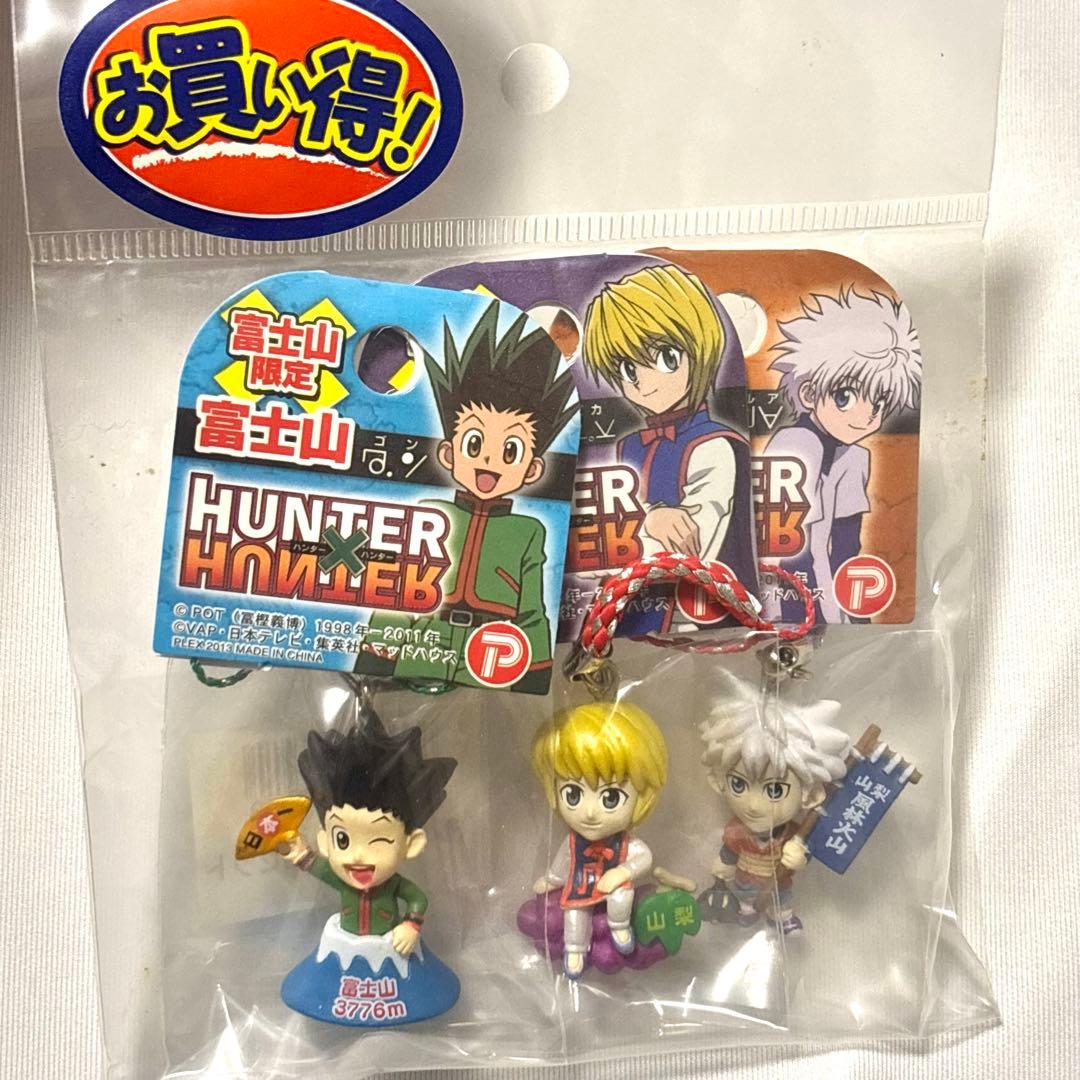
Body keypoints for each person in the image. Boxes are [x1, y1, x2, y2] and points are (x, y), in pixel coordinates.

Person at [764, 288, 922, 622]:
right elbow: (791, 548)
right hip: (781, 597)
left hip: (823, 598)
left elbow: (847, 546)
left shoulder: (854, 457)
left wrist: (855, 616)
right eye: (845, 396)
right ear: (809, 393)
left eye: (879, 403)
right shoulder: (795, 444)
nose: (867, 416)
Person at [531, 701, 668, 978]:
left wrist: (622, 872)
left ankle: (620, 927)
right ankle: (575, 949)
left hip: (614, 881)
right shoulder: (573, 842)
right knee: (574, 912)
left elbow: (643, 858)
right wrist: (553, 879)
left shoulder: (625, 843)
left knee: (622, 895)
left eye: (610, 797)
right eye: (573, 795)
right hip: (581, 882)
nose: (590, 813)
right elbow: (563, 861)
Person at [697, 697, 850, 934]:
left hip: (778, 882)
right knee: (745, 896)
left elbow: (805, 851)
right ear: (719, 781)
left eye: (775, 790)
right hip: (745, 879)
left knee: (781, 898)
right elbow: (730, 851)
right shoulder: (737, 831)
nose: (754, 806)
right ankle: (746, 910)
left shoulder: (792, 833)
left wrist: (799, 857)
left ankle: (781, 916)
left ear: (810, 795)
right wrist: (724, 864)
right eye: (738, 784)